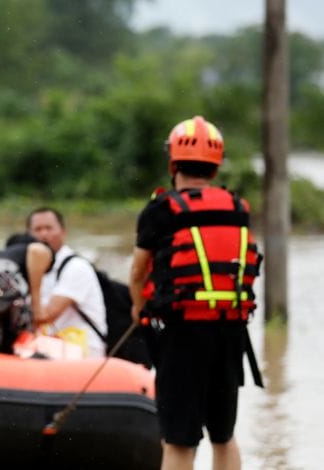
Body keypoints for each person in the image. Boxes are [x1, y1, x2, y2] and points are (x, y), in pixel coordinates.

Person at [128, 115, 262, 470]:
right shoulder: (237, 208)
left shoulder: (160, 210)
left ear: (173, 162)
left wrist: (140, 312)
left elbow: (138, 272)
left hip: (182, 335)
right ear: (215, 168)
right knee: (223, 435)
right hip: (231, 332)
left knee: (179, 441)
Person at [27, 208, 107, 358]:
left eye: (49, 228)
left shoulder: (77, 267)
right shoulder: (25, 265)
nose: (43, 234)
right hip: (49, 344)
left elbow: (43, 317)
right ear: (28, 235)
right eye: (37, 229)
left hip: (83, 349)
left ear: (63, 232)